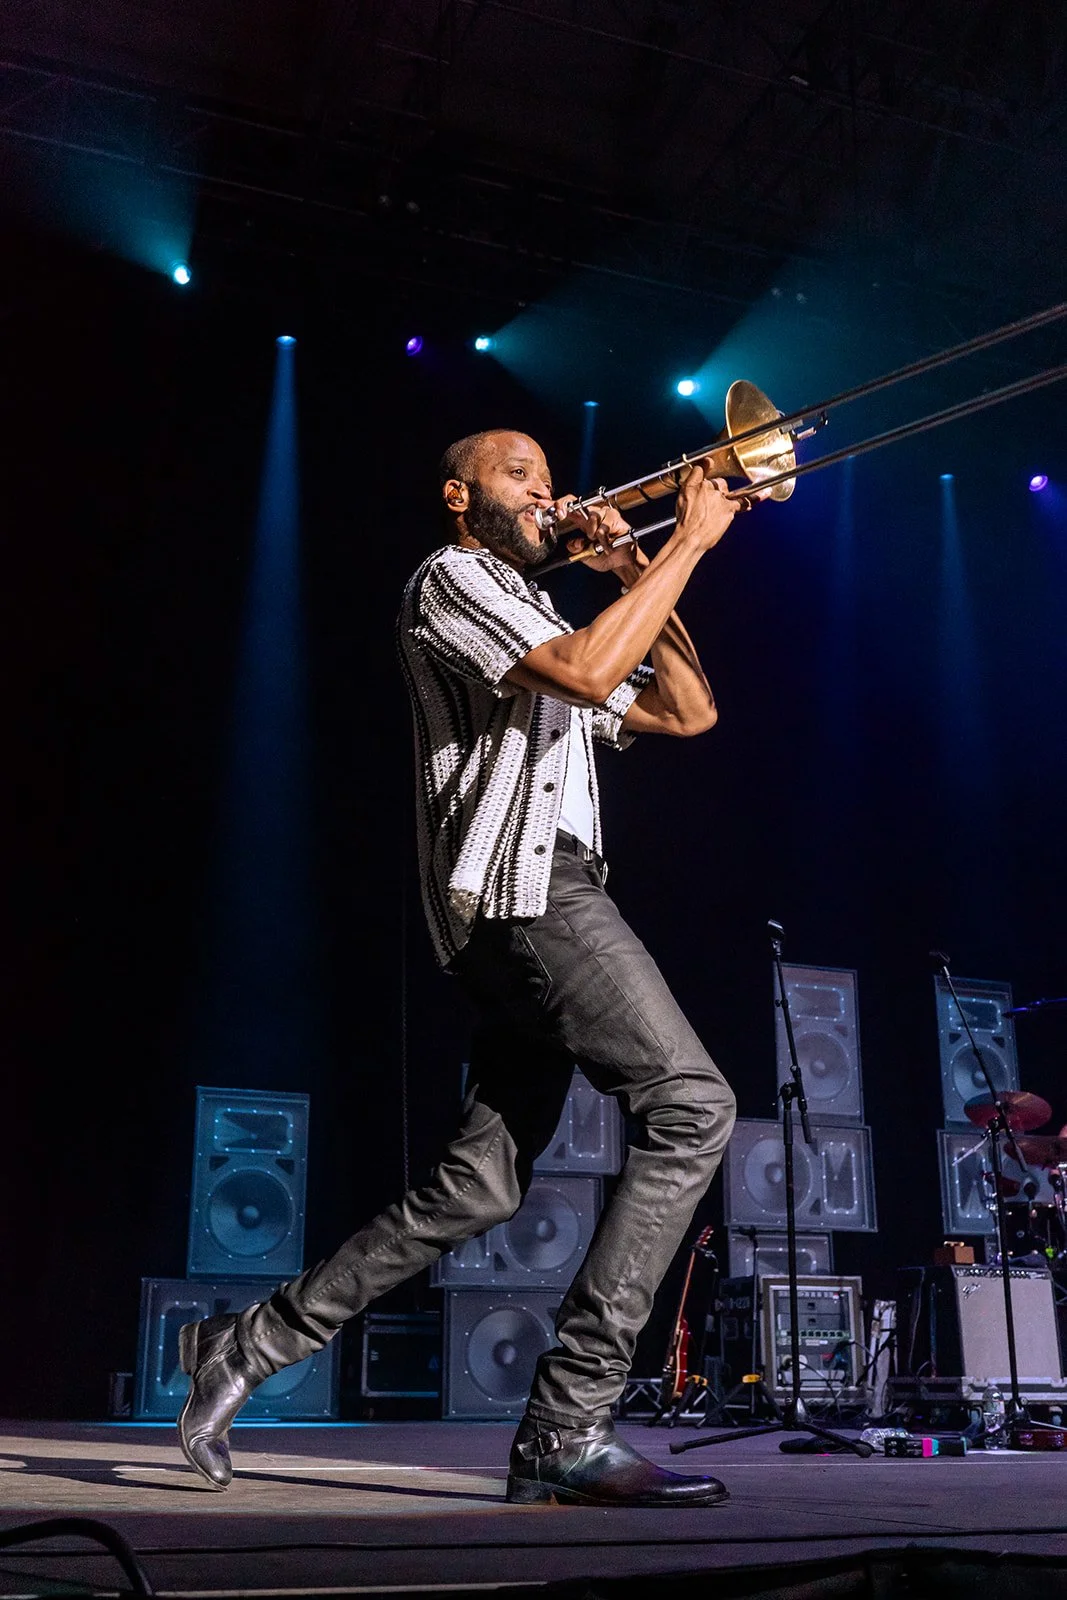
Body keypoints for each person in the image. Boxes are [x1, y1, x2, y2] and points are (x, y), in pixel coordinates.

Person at [177, 429, 739, 1507]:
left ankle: (246, 1343)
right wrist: (693, 543)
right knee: (692, 1104)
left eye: (543, 475)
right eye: (515, 476)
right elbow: (581, 671)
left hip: (533, 899)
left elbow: (685, 709)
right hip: (527, 893)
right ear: (459, 496)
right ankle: (568, 1424)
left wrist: (640, 570)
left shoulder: (544, 608)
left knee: (475, 1185)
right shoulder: (452, 580)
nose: (541, 491)